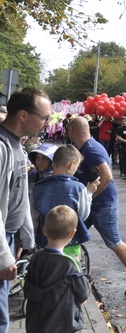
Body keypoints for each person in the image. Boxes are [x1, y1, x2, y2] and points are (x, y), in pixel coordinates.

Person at [67, 116, 126, 295]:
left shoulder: (91, 149)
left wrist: (90, 196)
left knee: (114, 241)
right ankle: (70, 272)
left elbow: (107, 177)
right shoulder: (84, 147)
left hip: (103, 204)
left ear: (72, 131)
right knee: (71, 234)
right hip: (90, 203)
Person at [0, 87, 51, 331]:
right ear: (22, 115)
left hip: (11, 239)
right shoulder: (2, 148)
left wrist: (24, 236)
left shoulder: (18, 146)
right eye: (43, 117)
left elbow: (18, 196)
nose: (45, 123)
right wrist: (2, 255)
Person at [23, 205, 91, 333]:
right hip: (63, 323)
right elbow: (83, 292)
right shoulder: (70, 264)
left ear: (44, 230)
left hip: (37, 322)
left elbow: (28, 287)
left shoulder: (36, 257)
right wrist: (82, 299)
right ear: (72, 233)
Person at [32, 145, 98, 251]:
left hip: (45, 242)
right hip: (70, 242)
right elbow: (83, 215)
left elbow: (34, 218)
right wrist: (89, 193)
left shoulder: (38, 187)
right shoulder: (79, 188)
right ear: (71, 164)